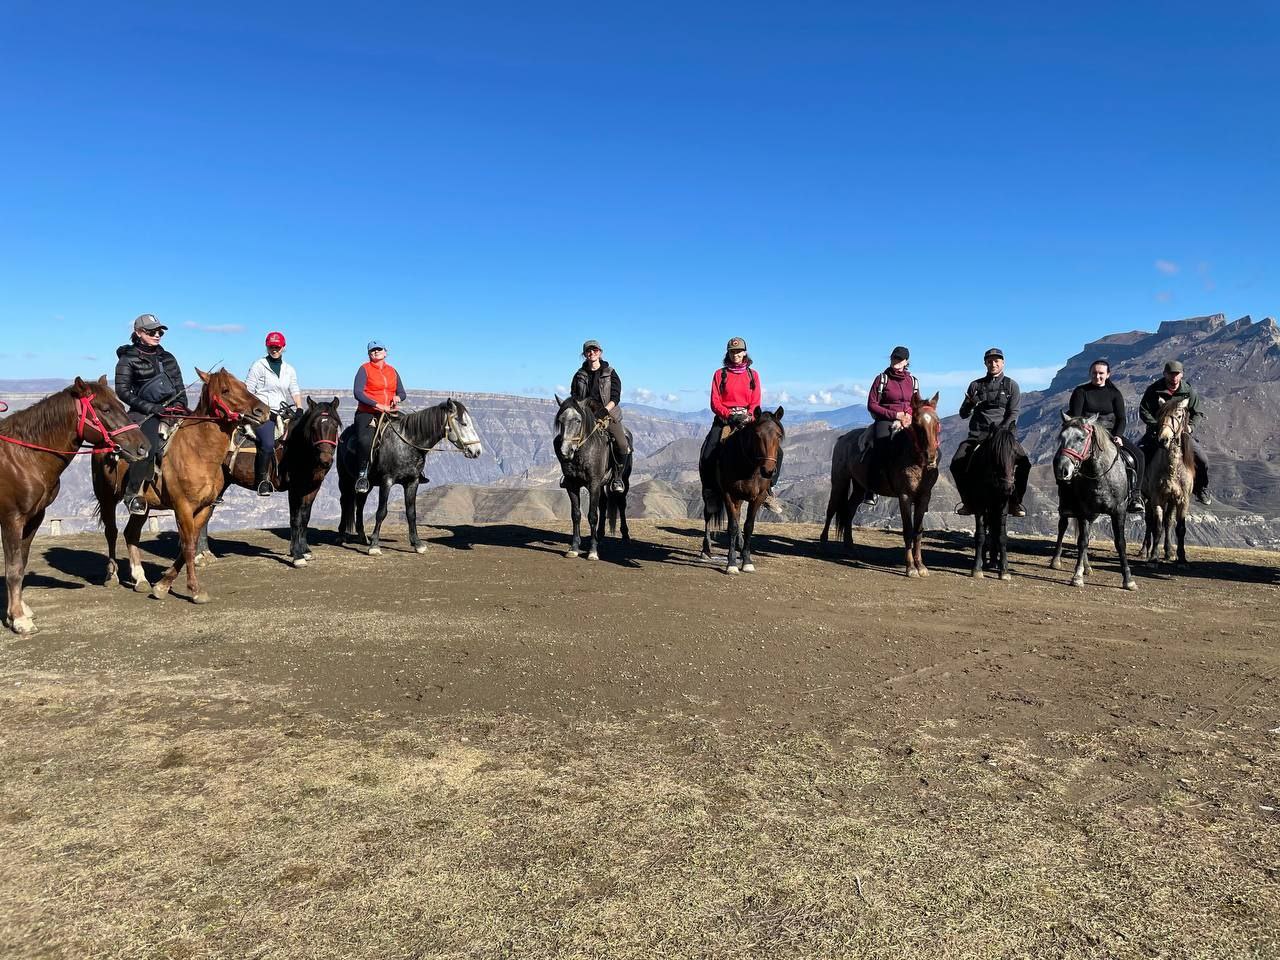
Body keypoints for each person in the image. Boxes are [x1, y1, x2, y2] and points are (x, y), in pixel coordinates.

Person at [113, 313, 188, 515]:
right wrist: (150, 407)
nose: (157, 335)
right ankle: (132, 493)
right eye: (152, 331)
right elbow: (123, 391)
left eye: (160, 331)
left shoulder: (168, 357)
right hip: (143, 412)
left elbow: (180, 387)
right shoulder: (127, 359)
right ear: (138, 333)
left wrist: (181, 406)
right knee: (148, 447)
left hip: (173, 410)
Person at [951, 347, 1031, 517]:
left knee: (1025, 464)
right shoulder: (975, 385)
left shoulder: (1011, 386)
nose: (993, 363)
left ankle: (1015, 502)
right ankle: (967, 502)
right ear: (985, 363)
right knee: (956, 462)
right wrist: (969, 404)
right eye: (990, 361)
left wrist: (1001, 431)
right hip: (977, 435)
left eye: (996, 360)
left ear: (1003, 363)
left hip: (1003, 438)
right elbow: (963, 414)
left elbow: (1014, 412)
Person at [1067, 359, 1145, 513]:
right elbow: (1076, 417)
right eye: (1094, 373)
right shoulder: (1081, 392)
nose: (1097, 376)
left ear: (1108, 374)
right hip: (1086, 435)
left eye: (1101, 373)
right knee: (1064, 458)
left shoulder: (1114, 394)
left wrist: (1118, 435)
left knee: (1139, 456)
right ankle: (1068, 501)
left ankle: (1135, 495)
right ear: (1090, 373)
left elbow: (1122, 418)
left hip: (1110, 434)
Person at [1138, 360, 1212, 505]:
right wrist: (1156, 426)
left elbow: (1198, 412)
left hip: (1181, 434)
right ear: (1164, 374)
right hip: (1157, 433)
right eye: (1171, 374)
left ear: (1182, 375)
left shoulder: (1188, 391)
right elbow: (1144, 410)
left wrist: (1190, 427)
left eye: (1177, 374)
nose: (1174, 378)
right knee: (1138, 456)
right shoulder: (1154, 390)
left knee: (1203, 460)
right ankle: (1137, 493)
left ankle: (1201, 488)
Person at [568, 339, 631, 493]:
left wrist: (605, 410)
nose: (592, 353)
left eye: (595, 350)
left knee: (622, 444)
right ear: (584, 354)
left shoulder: (610, 373)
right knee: (565, 440)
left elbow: (616, 397)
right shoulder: (579, 375)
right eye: (588, 351)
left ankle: (617, 477)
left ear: (600, 352)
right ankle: (569, 476)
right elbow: (574, 395)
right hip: (585, 417)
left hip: (607, 415)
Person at [244, 331, 303, 496]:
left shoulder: (289, 369)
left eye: (277, 346)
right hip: (261, 413)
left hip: (282, 411)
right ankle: (262, 481)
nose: (274, 349)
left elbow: (294, 388)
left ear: (283, 347)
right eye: (271, 346)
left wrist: (299, 407)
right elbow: (248, 390)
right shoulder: (258, 365)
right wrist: (262, 410)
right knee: (268, 443)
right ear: (267, 346)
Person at [862, 345, 919, 506]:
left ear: (906, 361)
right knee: (880, 447)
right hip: (885, 419)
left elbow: (915, 403)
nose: (896, 361)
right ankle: (871, 489)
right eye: (894, 358)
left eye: (900, 359)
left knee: (924, 446)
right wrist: (894, 415)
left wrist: (908, 414)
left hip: (907, 420)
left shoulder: (913, 381)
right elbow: (872, 405)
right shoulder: (881, 379)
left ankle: (920, 488)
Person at [352, 339, 407, 494]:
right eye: (372, 350)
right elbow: (358, 393)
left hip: (390, 411)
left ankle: (415, 470)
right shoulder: (364, 369)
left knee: (411, 431)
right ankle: (362, 475)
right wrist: (377, 405)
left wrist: (398, 398)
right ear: (369, 353)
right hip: (367, 412)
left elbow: (402, 392)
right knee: (365, 440)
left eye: (379, 350)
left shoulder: (392, 371)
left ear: (385, 352)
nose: (376, 352)